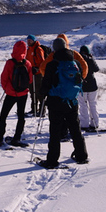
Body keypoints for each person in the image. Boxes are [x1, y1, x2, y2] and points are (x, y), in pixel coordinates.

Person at [38, 37, 89, 168]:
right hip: (72, 101)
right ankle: (81, 155)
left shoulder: (52, 64)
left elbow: (46, 85)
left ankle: (52, 160)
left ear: (55, 49)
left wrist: (42, 96)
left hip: (55, 101)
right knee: (75, 128)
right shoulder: (75, 63)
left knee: (55, 130)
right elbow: (80, 79)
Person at [0, 39, 33, 147]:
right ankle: (17, 138)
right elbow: (30, 80)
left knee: (3, 115)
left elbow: (4, 78)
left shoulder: (10, 63)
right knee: (21, 116)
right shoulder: (27, 63)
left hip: (11, 94)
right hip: (23, 94)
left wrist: (7, 89)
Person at [26, 35, 50, 117]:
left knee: (39, 92)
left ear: (34, 41)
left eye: (30, 40)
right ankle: (34, 109)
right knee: (32, 92)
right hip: (31, 74)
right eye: (27, 40)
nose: (28, 42)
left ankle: (42, 110)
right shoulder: (29, 49)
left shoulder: (38, 49)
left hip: (38, 74)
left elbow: (43, 63)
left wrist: (37, 69)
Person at [78, 45, 100, 132]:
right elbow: (96, 69)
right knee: (93, 104)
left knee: (83, 105)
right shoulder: (90, 59)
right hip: (92, 86)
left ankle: (84, 124)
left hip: (82, 86)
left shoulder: (78, 60)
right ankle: (95, 123)